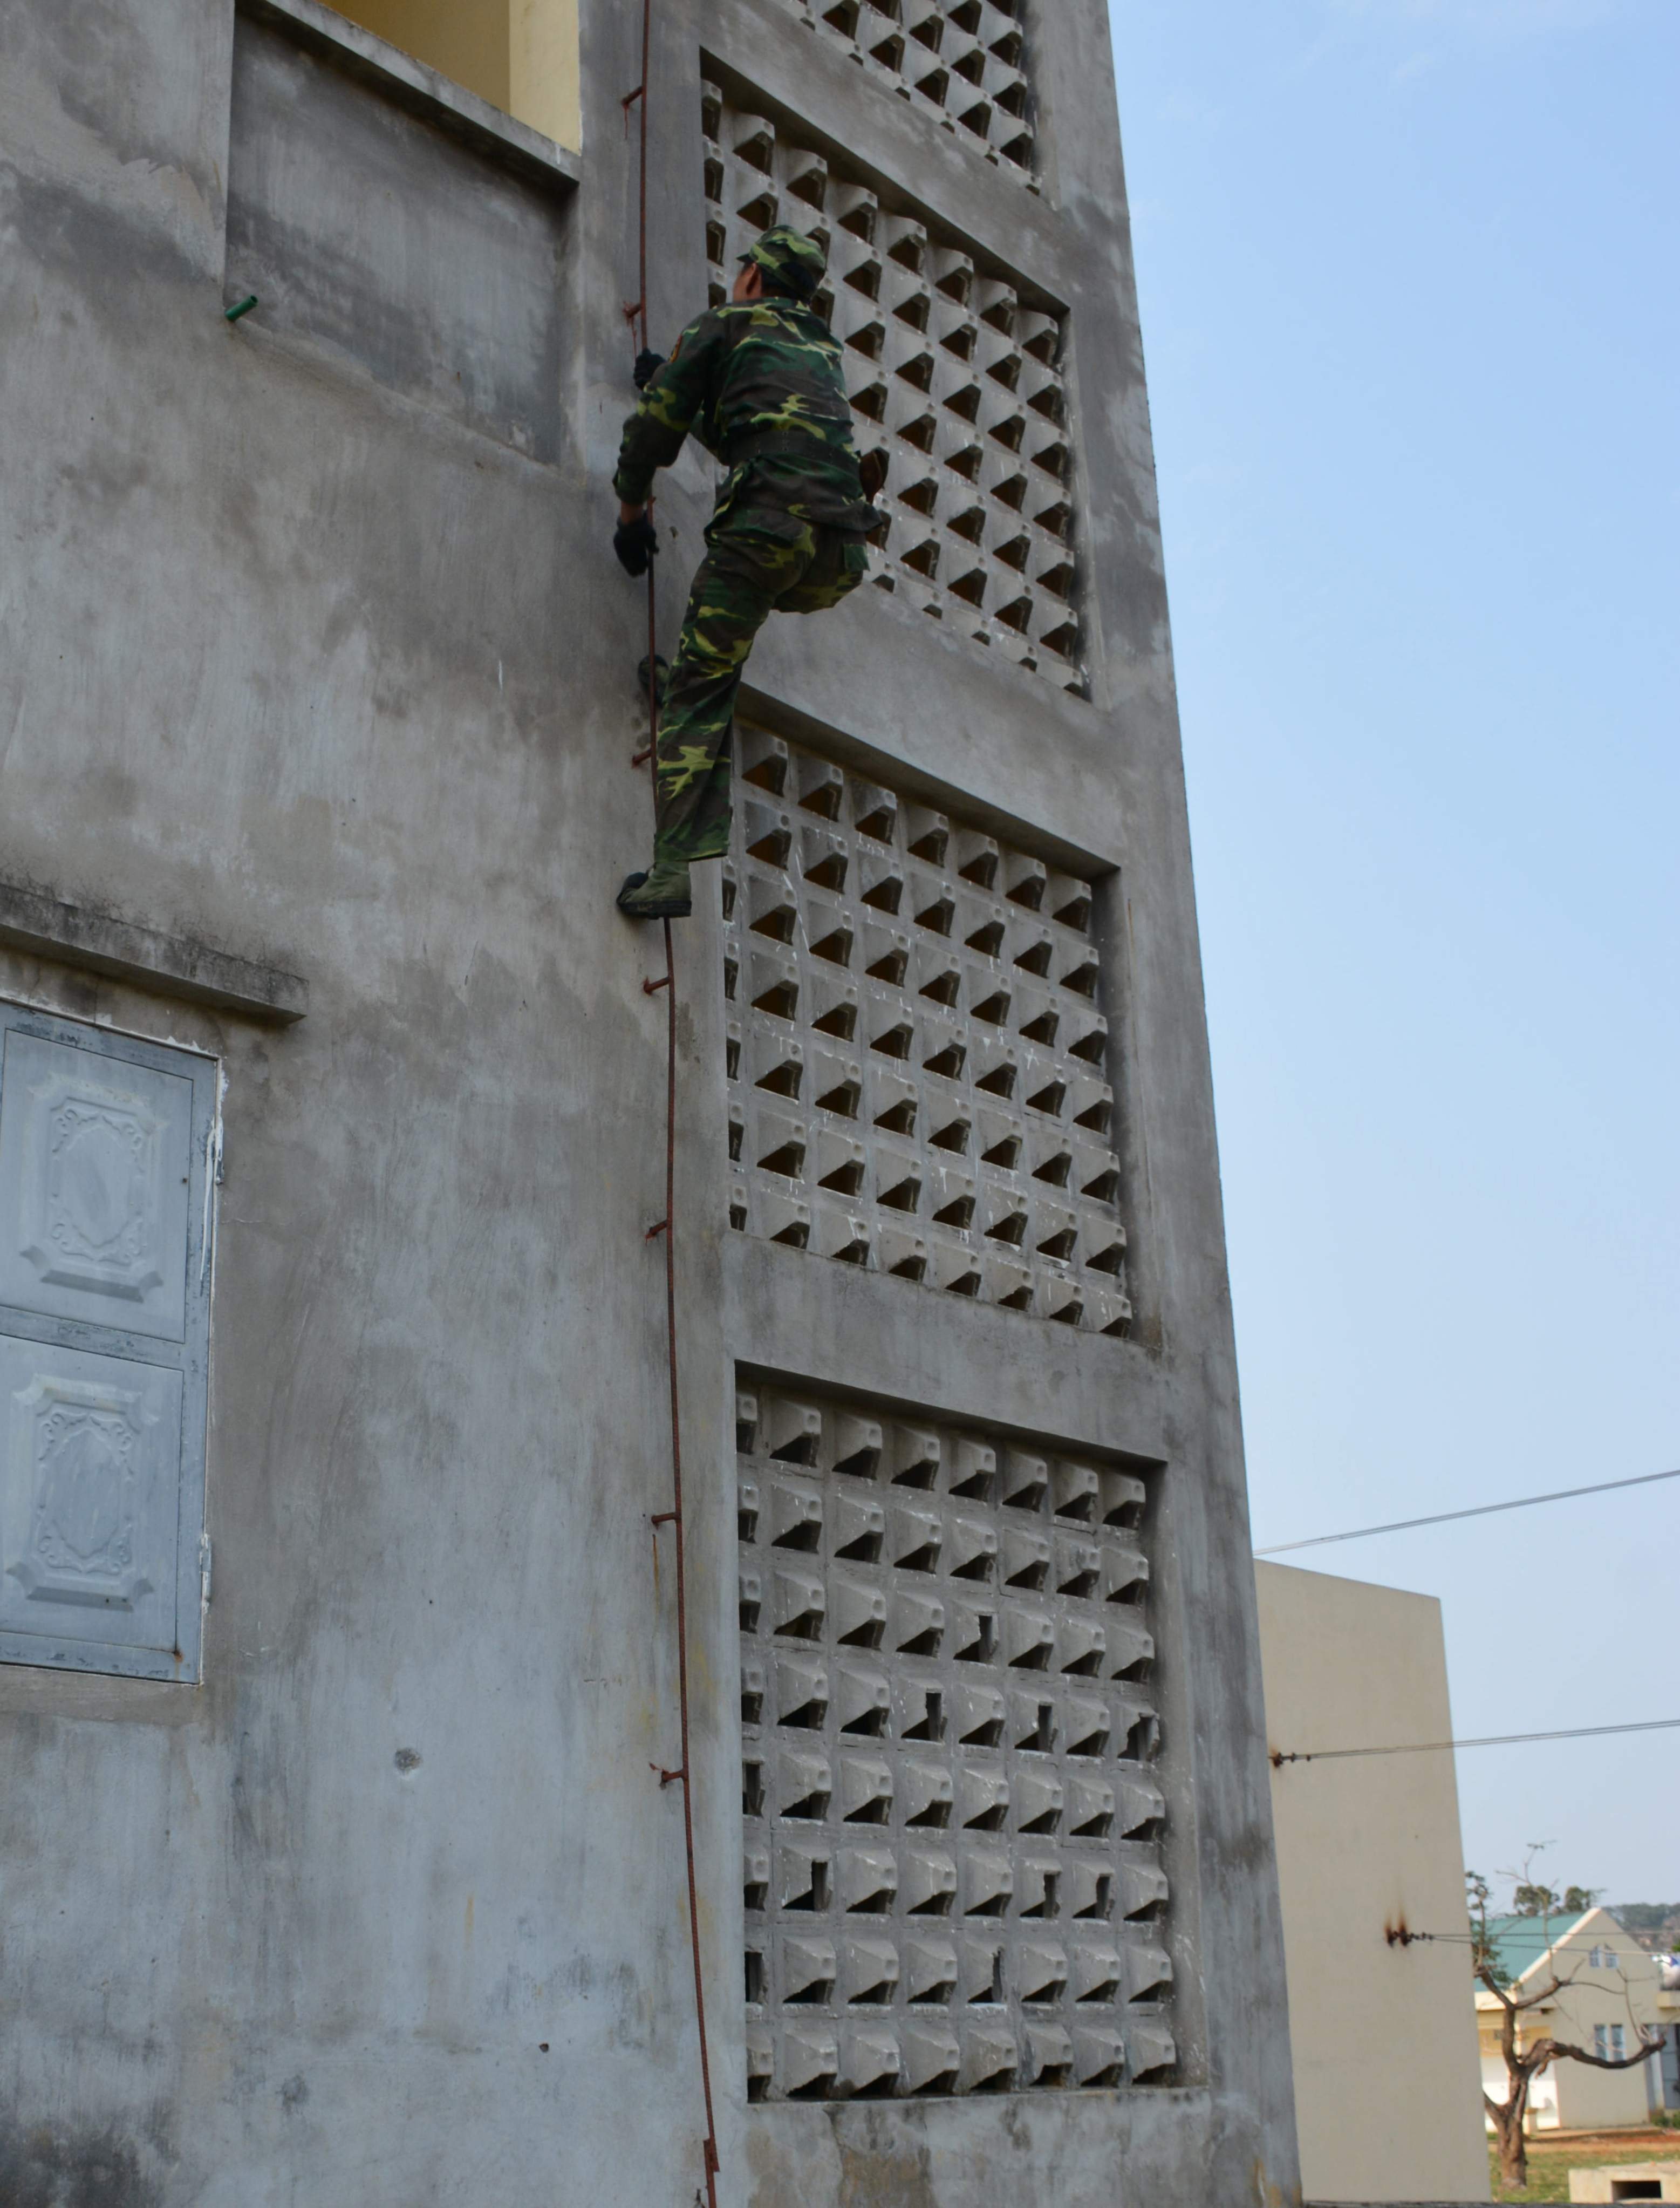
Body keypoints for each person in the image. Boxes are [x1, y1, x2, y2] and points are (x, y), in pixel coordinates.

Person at [611, 224, 881, 920]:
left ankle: (672, 872)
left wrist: (631, 510)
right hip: (836, 556)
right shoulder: (822, 351)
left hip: (767, 532)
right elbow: (759, 431)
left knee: (701, 691)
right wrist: (689, 400)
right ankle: (702, 666)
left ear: (754, 277)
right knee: (718, 651)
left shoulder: (727, 323)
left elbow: (652, 431)